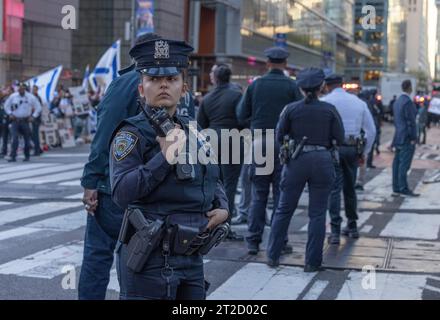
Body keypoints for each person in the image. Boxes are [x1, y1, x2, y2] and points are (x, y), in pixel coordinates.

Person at [109, 37, 229, 300]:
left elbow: (213, 175)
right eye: (153, 79)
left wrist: (223, 206)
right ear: (141, 88)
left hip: (192, 255)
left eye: (171, 79)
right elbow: (121, 193)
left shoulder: (192, 129)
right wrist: (165, 158)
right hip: (149, 258)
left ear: (183, 88)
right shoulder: (131, 133)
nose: (163, 84)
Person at [79, 33, 162, 300]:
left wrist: (90, 182)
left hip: (116, 185)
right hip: (160, 186)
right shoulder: (174, 85)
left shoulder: (125, 83)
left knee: (98, 255)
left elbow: (104, 136)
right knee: (148, 260)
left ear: (133, 55)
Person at [267, 68, 344, 271]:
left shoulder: (291, 109)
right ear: (321, 87)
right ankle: (312, 262)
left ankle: (273, 256)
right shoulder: (329, 110)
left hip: (296, 160)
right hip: (322, 160)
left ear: (300, 88)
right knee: (317, 213)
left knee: (284, 209)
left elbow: (279, 135)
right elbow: (340, 137)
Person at [237, 46, 302, 255]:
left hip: (259, 142)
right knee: (281, 197)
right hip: (283, 144)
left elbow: (241, 114)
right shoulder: (292, 87)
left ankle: (253, 242)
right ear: (284, 64)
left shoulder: (256, 85)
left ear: (267, 63)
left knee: (259, 195)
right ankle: (279, 241)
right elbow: (298, 115)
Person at [322, 74, 376, 245]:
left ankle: (335, 231)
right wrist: (364, 152)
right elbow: (371, 131)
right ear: (342, 84)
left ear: (327, 85)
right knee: (350, 188)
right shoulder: (358, 102)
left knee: (334, 189)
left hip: (333, 148)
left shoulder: (325, 101)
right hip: (353, 148)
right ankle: (352, 226)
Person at [197, 63, 244, 240]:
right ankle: (226, 226)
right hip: (232, 139)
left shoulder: (207, 98)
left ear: (215, 78)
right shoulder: (237, 95)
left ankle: (210, 223)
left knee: (213, 182)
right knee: (230, 186)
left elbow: (200, 124)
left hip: (212, 140)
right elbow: (243, 118)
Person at [391, 80, 420, 197]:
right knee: (404, 164)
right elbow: (411, 122)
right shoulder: (408, 102)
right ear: (410, 88)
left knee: (397, 163)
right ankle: (403, 187)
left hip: (398, 136)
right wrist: (414, 137)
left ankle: (396, 187)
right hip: (407, 137)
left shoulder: (397, 102)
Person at [3, 82, 41, 162]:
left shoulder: (31, 97)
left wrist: (33, 116)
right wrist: (10, 114)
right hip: (15, 121)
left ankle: (27, 155)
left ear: (25, 89)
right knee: (14, 139)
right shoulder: (13, 96)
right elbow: (6, 106)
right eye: (19, 88)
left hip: (25, 121)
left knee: (27, 140)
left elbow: (38, 107)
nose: (20, 90)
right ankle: (13, 156)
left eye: (22, 88)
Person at [31, 85, 43, 156]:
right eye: (33, 89)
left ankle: (37, 150)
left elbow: (38, 108)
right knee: (33, 135)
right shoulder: (32, 97)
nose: (33, 91)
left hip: (36, 118)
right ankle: (38, 148)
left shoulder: (37, 97)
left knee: (35, 135)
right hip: (33, 118)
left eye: (35, 89)